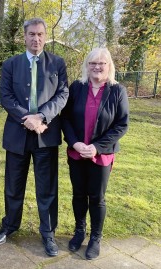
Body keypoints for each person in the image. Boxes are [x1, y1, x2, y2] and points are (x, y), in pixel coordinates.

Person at [0, 18, 69, 257]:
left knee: (47, 188)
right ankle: (10, 225)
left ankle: (48, 233)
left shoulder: (57, 63)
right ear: (24, 37)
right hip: (18, 134)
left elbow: (63, 93)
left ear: (45, 37)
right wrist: (27, 118)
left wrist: (42, 117)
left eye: (40, 34)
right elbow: (6, 96)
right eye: (32, 34)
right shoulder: (11, 64)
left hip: (46, 136)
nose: (36, 39)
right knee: (14, 185)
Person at [60, 48, 129, 260]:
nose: (97, 67)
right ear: (86, 66)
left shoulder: (118, 91)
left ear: (109, 66)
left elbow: (121, 124)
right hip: (77, 153)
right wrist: (75, 143)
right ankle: (79, 231)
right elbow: (66, 118)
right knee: (79, 194)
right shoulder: (77, 87)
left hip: (101, 156)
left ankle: (95, 238)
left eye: (102, 63)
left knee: (97, 198)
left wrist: (97, 147)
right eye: (93, 63)